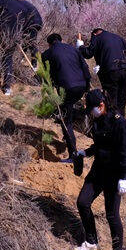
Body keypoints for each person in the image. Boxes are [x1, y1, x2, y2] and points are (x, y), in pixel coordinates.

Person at [73, 89, 126, 250]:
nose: (91, 113)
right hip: (98, 170)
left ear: (101, 105)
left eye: (93, 109)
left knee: (112, 215)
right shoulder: (97, 120)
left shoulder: (119, 123)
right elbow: (100, 145)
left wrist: (124, 177)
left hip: (114, 174)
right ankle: (91, 241)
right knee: (83, 202)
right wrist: (86, 152)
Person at [40, 34, 90, 162]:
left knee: (65, 119)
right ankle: (68, 135)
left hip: (67, 88)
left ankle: (73, 155)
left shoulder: (48, 53)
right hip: (81, 85)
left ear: (50, 44)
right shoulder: (73, 49)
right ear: (61, 40)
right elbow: (85, 67)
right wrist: (87, 86)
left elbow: (44, 74)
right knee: (68, 109)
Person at [77, 28, 126, 116]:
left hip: (112, 71)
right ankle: (121, 120)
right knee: (122, 97)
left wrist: (80, 46)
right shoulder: (118, 37)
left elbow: (88, 53)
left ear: (94, 34)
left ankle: (112, 122)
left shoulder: (97, 37)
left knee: (111, 99)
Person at [0, 0, 27, 95]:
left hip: (4, 34)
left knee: (2, 57)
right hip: (15, 36)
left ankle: (1, 81)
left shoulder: (4, 0)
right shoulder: (23, 7)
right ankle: (7, 86)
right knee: (8, 59)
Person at [9, 0, 42, 69]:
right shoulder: (25, 3)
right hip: (36, 22)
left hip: (32, 23)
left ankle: (34, 65)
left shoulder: (16, 4)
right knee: (27, 41)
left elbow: (18, 18)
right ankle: (24, 60)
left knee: (31, 43)